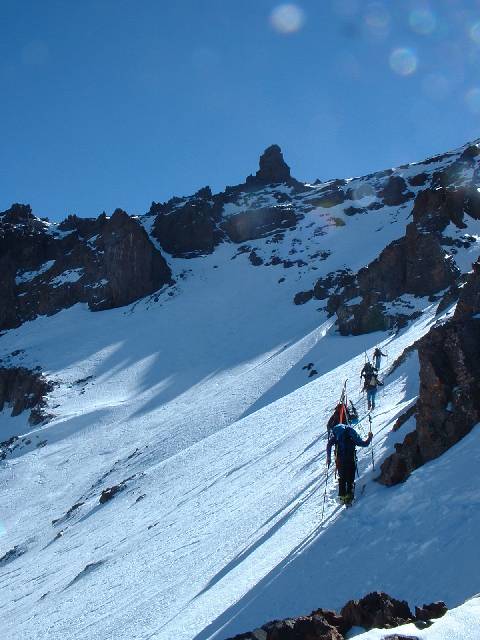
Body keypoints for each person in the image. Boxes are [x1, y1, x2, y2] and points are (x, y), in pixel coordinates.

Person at [326, 421, 373, 506]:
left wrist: (328, 458)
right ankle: (349, 498)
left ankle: (342, 497)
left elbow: (329, 445)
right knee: (350, 478)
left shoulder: (336, 434)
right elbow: (363, 444)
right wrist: (369, 438)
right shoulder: (350, 431)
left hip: (339, 460)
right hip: (350, 458)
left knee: (342, 478)